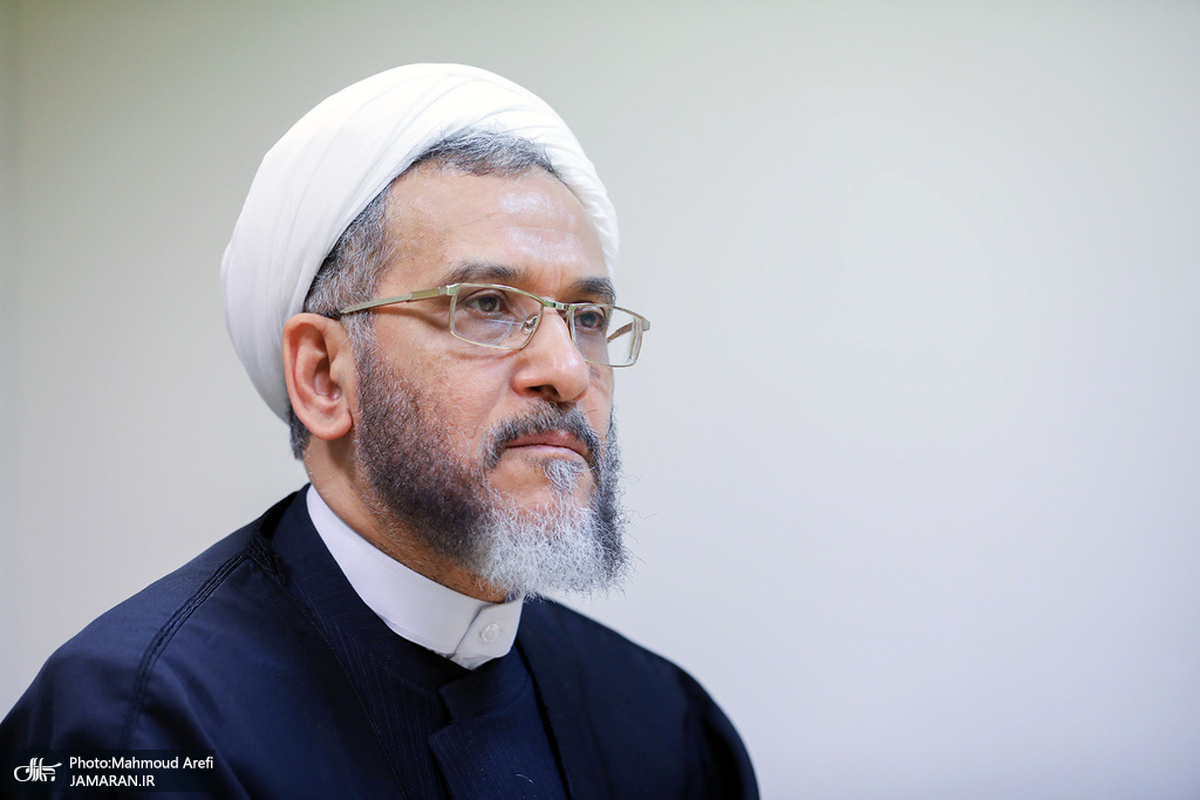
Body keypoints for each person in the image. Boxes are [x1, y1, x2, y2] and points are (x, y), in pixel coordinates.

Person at [0, 64, 757, 798]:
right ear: (324, 376)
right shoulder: (139, 729)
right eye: (487, 304)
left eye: (587, 318)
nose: (567, 370)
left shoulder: (664, 725)